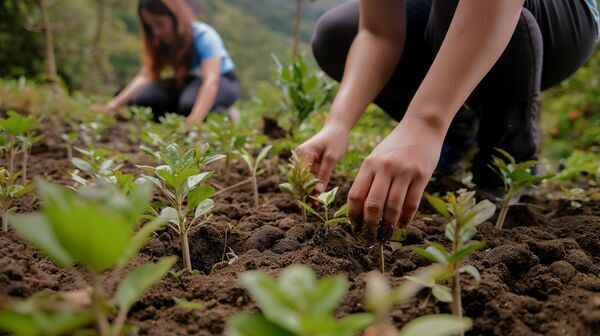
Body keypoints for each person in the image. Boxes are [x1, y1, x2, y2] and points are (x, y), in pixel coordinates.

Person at [296, 0, 599, 240]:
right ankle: (452, 136)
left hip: (560, 20)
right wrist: (338, 123)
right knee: (339, 34)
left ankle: (508, 159)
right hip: (445, 17)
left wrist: (425, 122)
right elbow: (378, 33)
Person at [92, 0, 240, 124]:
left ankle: (225, 115)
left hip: (221, 81)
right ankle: (186, 113)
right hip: (187, 83)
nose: (156, 32)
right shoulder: (161, 43)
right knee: (142, 99)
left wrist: (196, 119)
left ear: (175, 18)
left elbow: (210, 81)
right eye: (151, 27)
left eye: (160, 24)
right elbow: (145, 76)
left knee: (189, 104)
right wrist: (112, 106)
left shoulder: (204, 35)